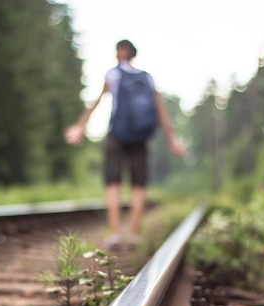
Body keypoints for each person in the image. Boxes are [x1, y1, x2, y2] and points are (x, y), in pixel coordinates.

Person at [65, 39, 186, 250]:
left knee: (114, 184)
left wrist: (80, 125)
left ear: (120, 52)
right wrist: (172, 139)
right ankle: (134, 236)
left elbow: (97, 101)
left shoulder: (113, 74)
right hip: (141, 137)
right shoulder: (147, 78)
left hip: (117, 135)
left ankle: (115, 235)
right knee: (138, 186)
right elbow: (161, 110)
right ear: (133, 54)